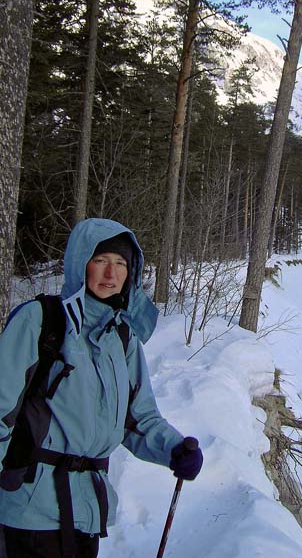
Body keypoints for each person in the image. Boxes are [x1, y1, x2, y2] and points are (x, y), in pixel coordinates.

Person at [0, 218, 203, 558]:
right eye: (101, 261)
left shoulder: (122, 338)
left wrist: (175, 450)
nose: (111, 274)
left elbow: (138, 419)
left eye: (121, 264)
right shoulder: (39, 321)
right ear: (81, 264)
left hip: (87, 511)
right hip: (29, 510)